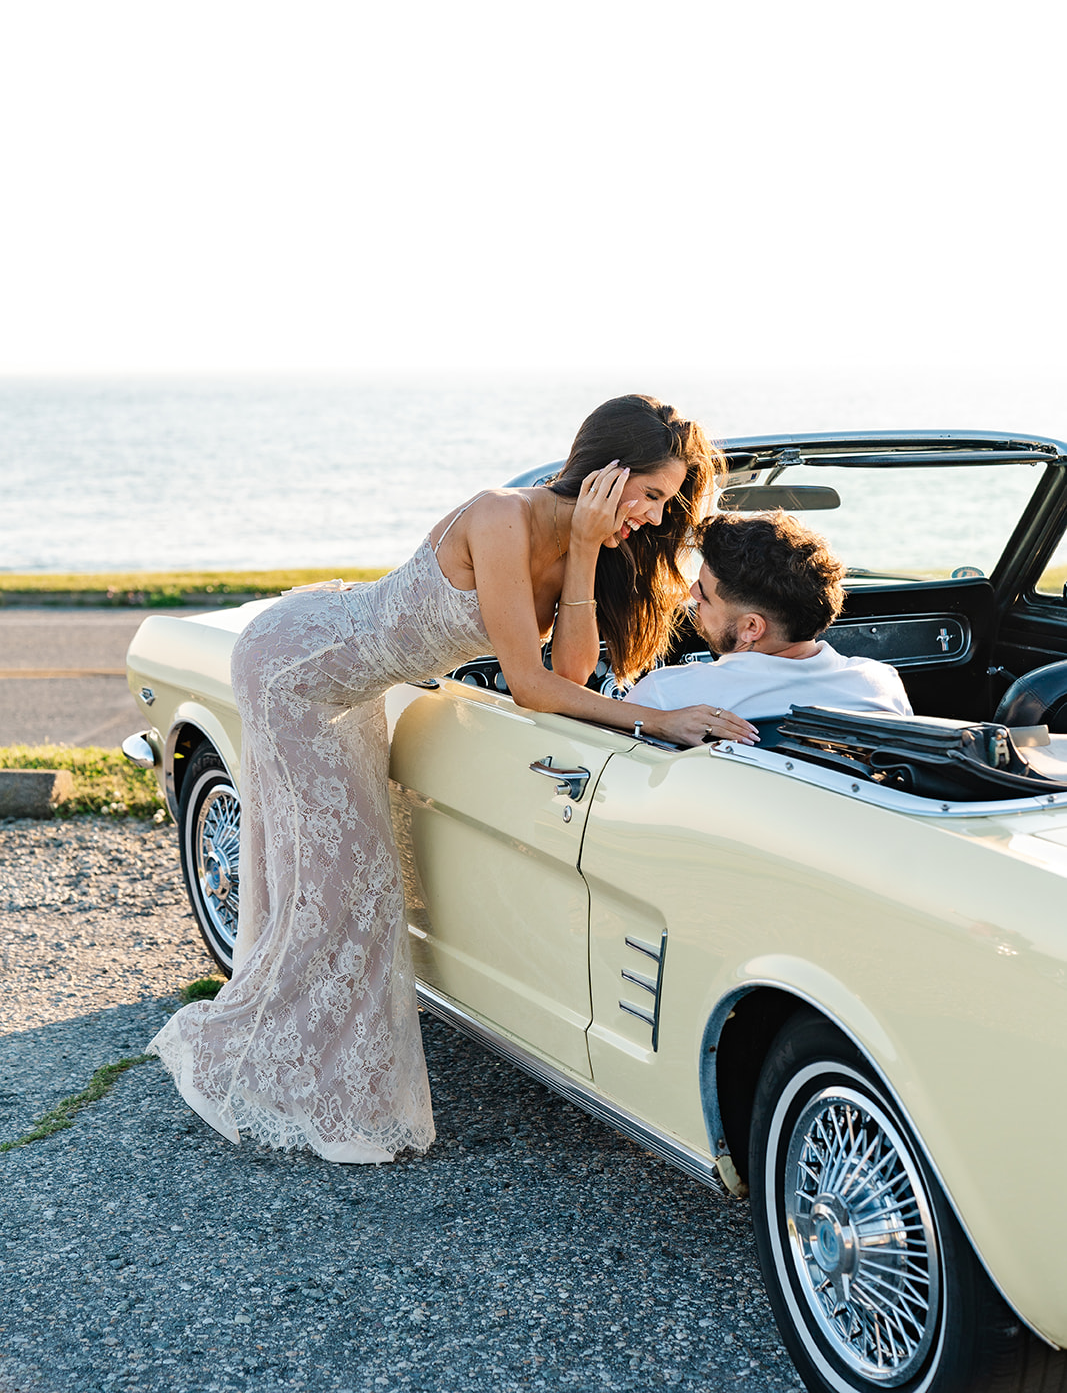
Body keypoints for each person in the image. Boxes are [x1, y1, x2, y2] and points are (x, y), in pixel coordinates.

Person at [148, 394, 735, 1163]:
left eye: (666, 503)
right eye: (651, 494)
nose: (657, 518)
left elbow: (569, 672)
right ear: (605, 470)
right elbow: (531, 686)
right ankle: (252, 1057)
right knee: (347, 879)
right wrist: (660, 721)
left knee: (342, 883)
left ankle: (320, 1078)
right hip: (293, 666)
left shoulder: (579, 549)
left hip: (347, 691)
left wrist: (590, 549)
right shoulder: (499, 517)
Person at [625, 510, 913, 738]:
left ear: (752, 627)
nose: (692, 593)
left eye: (704, 593)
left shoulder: (664, 696)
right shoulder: (880, 685)